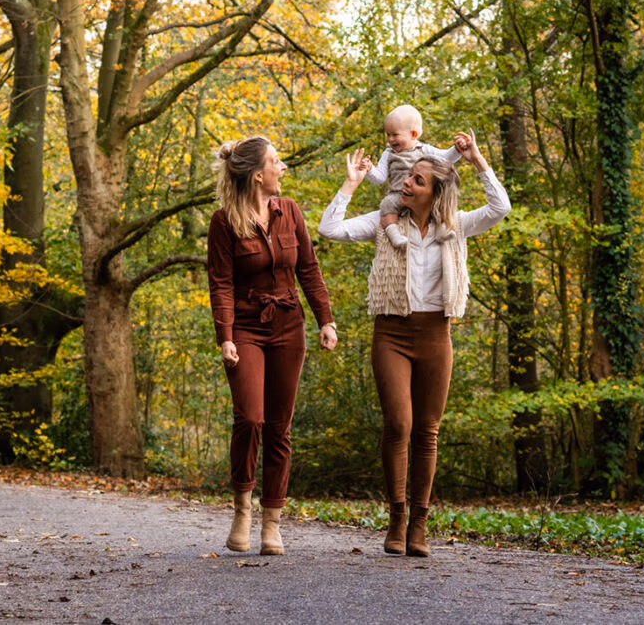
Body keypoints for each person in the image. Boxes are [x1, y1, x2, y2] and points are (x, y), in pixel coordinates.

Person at [317, 129, 509, 557]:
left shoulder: (455, 226)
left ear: (435, 192)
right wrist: (350, 184)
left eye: (417, 181)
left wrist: (477, 158)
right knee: (398, 425)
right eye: (407, 177)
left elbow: (501, 207)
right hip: (392, 333)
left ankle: (419, 524)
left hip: (435, 335)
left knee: (427, 431)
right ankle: (396, 518)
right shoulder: (385, 224)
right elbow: (329, 229)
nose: (405, 182)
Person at [207, 136, 338, 555]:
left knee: (280, 427)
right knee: (250, 418)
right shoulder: (224, 221)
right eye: (276, 162)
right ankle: (242, 509)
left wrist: (326, 319)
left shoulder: (291, 211)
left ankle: (272, 522)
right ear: (257, 175)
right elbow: (221, 284)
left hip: (288, 327)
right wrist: (225, 336)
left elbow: (309, 268)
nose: (283, 168)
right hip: (246, 326)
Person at [366, 104, 461, 248]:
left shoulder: (425, 150)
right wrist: (369, 169)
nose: (390, 139)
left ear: (414, 134)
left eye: (395, 135)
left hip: (421, 199)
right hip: (398, 196)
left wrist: (457, 149)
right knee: (386, 205)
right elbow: (379, 178)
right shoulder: (388, 153)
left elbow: (446, 158)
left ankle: (442, 229)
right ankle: (394, 235)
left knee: (437, 200)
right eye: (388, 135)